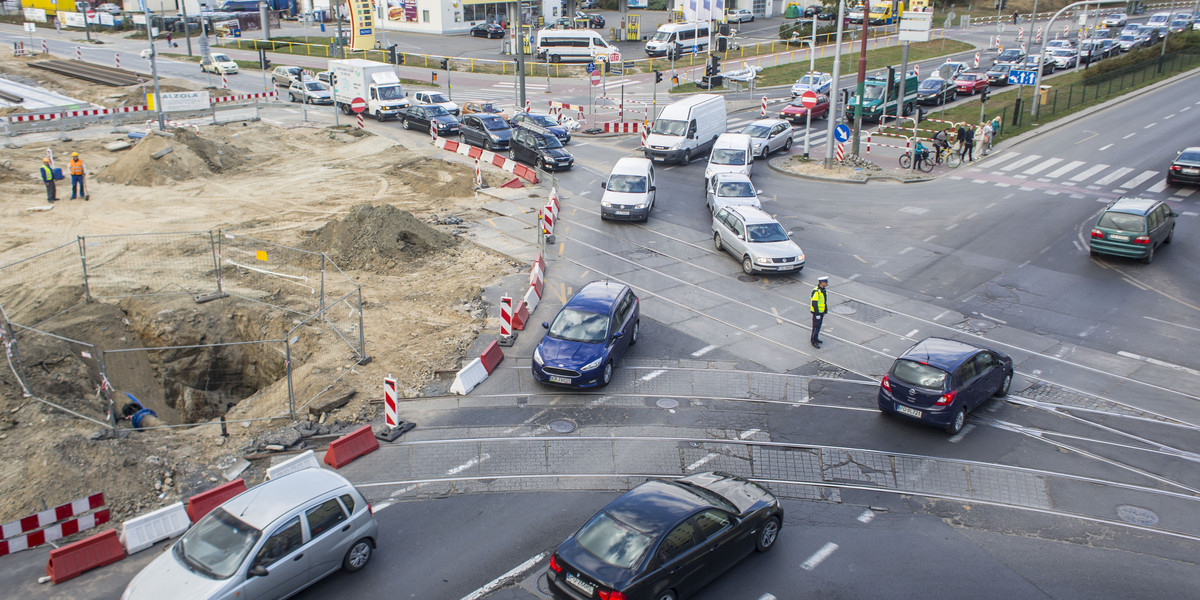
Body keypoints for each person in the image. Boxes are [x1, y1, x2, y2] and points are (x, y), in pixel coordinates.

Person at [810, 276, 829, 348]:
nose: (827, 283)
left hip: (821, 311)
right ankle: (813, 341)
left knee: (818, 326)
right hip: (817, 312)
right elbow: (814, 303)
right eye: (826, 282)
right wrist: (817, 313)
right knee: (815, 326)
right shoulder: (817, 291)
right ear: (822, 283)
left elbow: (824, 301)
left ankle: (816, 338)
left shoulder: (823, 290)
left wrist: (824, 310)